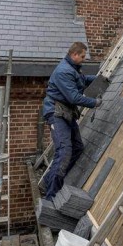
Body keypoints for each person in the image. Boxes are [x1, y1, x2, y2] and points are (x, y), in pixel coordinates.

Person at [41, 42, 101, 199]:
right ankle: (51, 195)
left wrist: (100, 79)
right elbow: (73, 97)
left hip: (66, 113)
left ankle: (49, 180)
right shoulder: (64, 71)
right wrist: (94, 103)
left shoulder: (72, 68)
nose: (84, 59)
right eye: (82, 56)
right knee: (65, 151)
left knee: (77, 148)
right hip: (57, 113)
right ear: (74, 54)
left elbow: (82, 79)